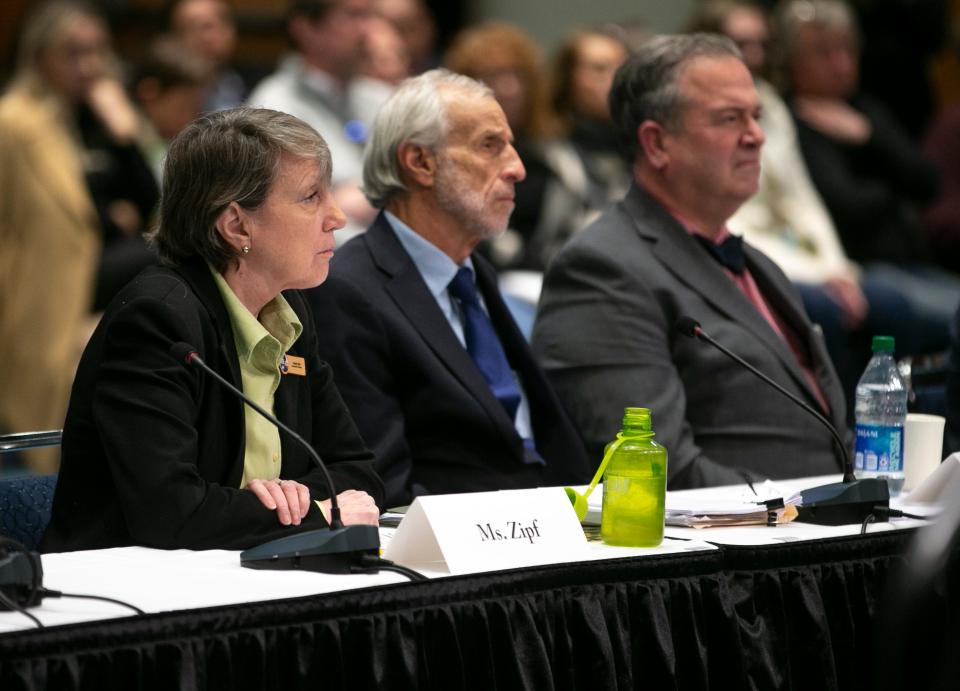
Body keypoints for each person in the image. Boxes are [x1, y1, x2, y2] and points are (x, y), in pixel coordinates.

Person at [42, 108, 383, 552]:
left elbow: (358, 472)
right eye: (310, 197)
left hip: (243, 572)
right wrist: (314, 513)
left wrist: (287, 500)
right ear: (237, 225)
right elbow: (169, 513)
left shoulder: (286, 309)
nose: (337, 216)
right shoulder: (157, 321)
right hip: (124, 595)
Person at [532, 34, 849, 488]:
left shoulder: (761, 265)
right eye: (729, 118)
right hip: (749, 547)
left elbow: (827, 435)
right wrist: (799, 509)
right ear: (658, 143)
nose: (756, 136)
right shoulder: (601, 270)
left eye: (756, 117)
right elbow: (656, 472)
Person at [304, 70, 592, 508]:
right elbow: (379, 487)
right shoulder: (348, 290)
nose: (517, 168)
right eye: (489, 145)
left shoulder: (474, 272)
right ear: (420, 162)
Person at [688, 0, 944, 409]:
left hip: (797, 252)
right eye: (739, 43)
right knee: (823, 307)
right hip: (735, 255)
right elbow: (731, 219)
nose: (752, 56)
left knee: (892, 307)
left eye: (760, 44)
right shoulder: (698, 112)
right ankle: (832, 432)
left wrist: (836, 268)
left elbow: (801, 201)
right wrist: (821, 275)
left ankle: (898, 436)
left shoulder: (769, 103)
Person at [0, 1, 155, 473]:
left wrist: (126, 132)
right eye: (73, 53)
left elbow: (150, 202)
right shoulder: (15, 123)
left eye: (96, 52)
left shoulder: (94, 117)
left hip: (95, 287)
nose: (89, 67)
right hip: (44, 291)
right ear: (40, 55)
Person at [444, 22, 597, 273]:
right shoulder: (454, 156)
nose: (509, 88)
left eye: (517, 75)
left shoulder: (555, 156)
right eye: (493, 75)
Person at [248, 0, 391, 239]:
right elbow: (286, 224)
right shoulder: (273, 109)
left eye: (370, 16)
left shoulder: (382, 99)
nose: (369, 30)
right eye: (354, 15)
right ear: (306, 28)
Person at [167, 0, 247, 111]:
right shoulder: (162, 95)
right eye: (193, 26)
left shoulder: (253, 85)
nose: (208, 37)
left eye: (219, 22)